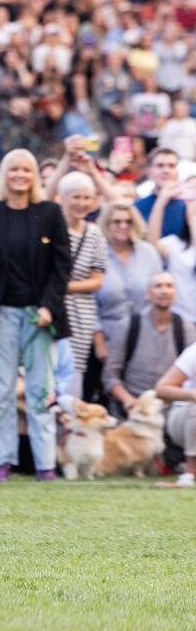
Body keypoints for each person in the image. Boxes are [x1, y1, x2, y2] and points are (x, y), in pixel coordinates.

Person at [0, 149, 72, 482]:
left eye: (26, 170)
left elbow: (62, 266)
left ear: (34, 175)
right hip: (1, 315)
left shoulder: (50, 213)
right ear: (4, 175)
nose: (20, 176)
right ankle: (2, 462)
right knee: (1, 391)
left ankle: (45, 465)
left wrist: (48, 306)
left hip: (40, 316)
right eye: (14, 170)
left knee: (41, 392)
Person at [104, 273, 196, 417]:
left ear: (175, 294)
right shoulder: (128, 326)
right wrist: (129, 402)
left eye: (169, 286)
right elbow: (110, 376)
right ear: (148, 293)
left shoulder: (187, 329)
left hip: (173, 409)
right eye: (158, 286)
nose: (164, 291)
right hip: (135, 407)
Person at [57, 171, 107, 395]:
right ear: (63, 198)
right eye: (76, 197)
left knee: (73, 374)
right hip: (52, 308)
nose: (82, 203)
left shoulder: (94, 233)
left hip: (81, 313)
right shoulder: (51, 227)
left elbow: (97, 280)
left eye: (87, 198)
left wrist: (63, 286)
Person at [95, 200, 162, 345]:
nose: (123, 226)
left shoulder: (148, 253)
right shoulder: (97, 255)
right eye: (117, 222)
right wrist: (98, 342)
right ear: (106, 224)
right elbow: (90, 303)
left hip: (146, 338)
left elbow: (159, 293)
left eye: (128, 221)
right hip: (109, 338)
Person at [147, 181, 196, 323]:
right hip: (179, 320)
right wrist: (161, 201)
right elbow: (151, 245)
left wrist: (193, 220)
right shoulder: (174, 243)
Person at [154, 339, 196, 487]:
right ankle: (189, 475)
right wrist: (192, 394)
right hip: (183, 417)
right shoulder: (194, 351)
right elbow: (161, 388)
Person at [137, 148, 185, 238]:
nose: (166, 171)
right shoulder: (137, 207)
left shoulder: (188, 204)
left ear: (177, 171)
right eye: (160, 165)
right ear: (148, 171)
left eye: (171, 166)